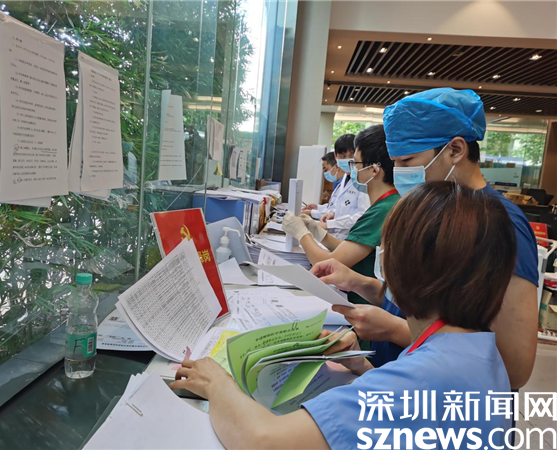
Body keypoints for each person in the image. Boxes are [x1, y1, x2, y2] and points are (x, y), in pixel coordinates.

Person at [171, 182, 515, 449]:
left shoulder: (425, 378)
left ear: (405, 269)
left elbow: (263, 440)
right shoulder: (479, 351)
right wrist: (362, 367)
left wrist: (217, 384)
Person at [312, 88, 539, 389]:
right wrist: (360, 283)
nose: (399, 173)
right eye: (395, 162)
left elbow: (512, 365)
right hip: (397, 379)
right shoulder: (430, 210)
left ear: (455, 150)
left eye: (407, 161)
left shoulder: (499, 224)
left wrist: (395, 330)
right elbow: (420, 304)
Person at [283, 125, 399, 305]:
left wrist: (301, 233)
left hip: (362, 304)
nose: (352, 170)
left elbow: (327, 264)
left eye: (355, 163)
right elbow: (353, 249)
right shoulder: (388, 203)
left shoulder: (383, 210)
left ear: (374, 170)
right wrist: (317, 231)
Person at [302, 134, 369, 240]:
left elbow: (363, 216)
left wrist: (330, 223)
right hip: (336, 236)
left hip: (350, 239)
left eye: (351, 155)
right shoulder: (345, 179)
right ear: (336, 155)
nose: (347, 159)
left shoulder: (363, 181)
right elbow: (340, 207)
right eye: (343, 156)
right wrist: (332, 213)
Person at [302, 152, 342, 222]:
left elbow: (334, 212)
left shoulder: (344, 186)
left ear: (336, 167)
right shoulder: (338, 184)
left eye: (325, 169)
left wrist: (311, 212)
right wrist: (317, 207)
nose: (325, 173)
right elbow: (331, 206)